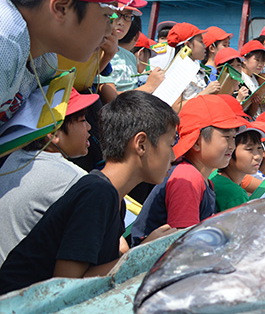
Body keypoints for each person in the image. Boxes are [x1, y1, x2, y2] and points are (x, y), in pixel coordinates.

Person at [0, 91, 179, 295]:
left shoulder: (112, 197)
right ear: (141, 144)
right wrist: (144, 253)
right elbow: (67, 286)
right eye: (170, 144)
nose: (173, 156)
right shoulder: (98, 193)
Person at [0, 0, 129, 126]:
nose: (108, 32)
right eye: (106, 16)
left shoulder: (44, 59)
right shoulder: (5, 43)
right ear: (61, 8)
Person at [130, 94, 244, 245]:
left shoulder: (201, 179)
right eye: (226, 137)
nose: (232, 146)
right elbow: (185, 245)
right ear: (196, 141)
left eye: (234, 138)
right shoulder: (187, 178)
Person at [0, 89, 98, 265]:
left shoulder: (14, 157)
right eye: (83, 120)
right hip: (24, 287)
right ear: (53, 134)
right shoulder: (73, 179)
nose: (89, 127)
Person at [97, 8, 164, 101]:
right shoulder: (97, 53)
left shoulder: (130, 56)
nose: (121, 22)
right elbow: (111, 99)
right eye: (116, 14)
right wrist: (149, 87)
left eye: (127, 16)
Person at [211, 124, 265, 212]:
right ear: (229, 151)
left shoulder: (216, 176)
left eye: (259, 148)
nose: (257, 156)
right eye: (249, 149)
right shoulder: (235, 194)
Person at [167, 22, 220, 109]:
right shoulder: (177, 72)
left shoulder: (196, 69)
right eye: (201, 42)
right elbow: (176, 108)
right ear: (188, 45)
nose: (204, 46)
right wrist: (206, 92)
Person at [239, 39, 265, 117]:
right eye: (257, 60)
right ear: (244, 60)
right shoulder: (240, 78)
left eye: (263, 61)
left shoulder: (254, 77)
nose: (260, 64)